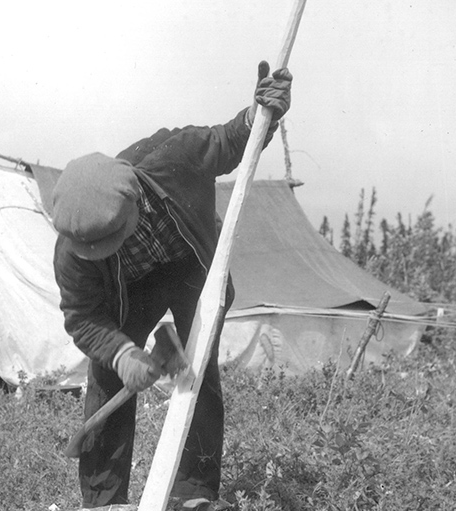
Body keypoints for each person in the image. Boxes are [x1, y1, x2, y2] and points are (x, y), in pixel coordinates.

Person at [49, 62, 292, 510]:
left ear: (134, 203)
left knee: (196, 368)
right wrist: (123, 354)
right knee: (106, 374)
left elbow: (231, 138)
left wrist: (265, 112)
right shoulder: (73, 248)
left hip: (189, 267)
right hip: (128, 291)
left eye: (107, 243)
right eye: (89, 249)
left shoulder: (175, 158)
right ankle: (105, 500)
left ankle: (193, 493)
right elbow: (82, 316)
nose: (93, 253)